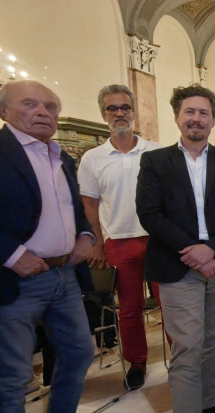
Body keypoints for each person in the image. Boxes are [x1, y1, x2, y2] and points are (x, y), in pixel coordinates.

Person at [0, 80, 96, 412]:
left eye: (50, 106)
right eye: (29, 104)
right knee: (13, 374)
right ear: (3, 110)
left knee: (79, 353)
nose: (42, 112)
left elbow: (74, 211)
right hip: (12, 281)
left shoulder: (62, 157)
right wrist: (11, 255)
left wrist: (85, 235)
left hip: (64, 276)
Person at [136, 85, 215, 413]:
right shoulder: (155, 162)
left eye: (204, 113)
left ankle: (212, 401)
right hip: (177, 266)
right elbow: (149, 213)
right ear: (177, 117)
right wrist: (193, 251)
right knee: (187, 347)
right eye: (190, 112)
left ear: (213, 120)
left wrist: (211, 249)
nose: (196, 119)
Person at [78, 84, 163, 390]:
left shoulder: (156, 150)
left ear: (133, 111)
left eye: (124, 107)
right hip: (119, 241)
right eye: (112, 108)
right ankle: (136, 362)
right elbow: (89, 204)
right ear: (104, 114)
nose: (119, 113)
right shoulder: (93, 158)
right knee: (129, 308)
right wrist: (97, 244)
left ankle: (182, 358)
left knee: (170, 303)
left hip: (158, 241)